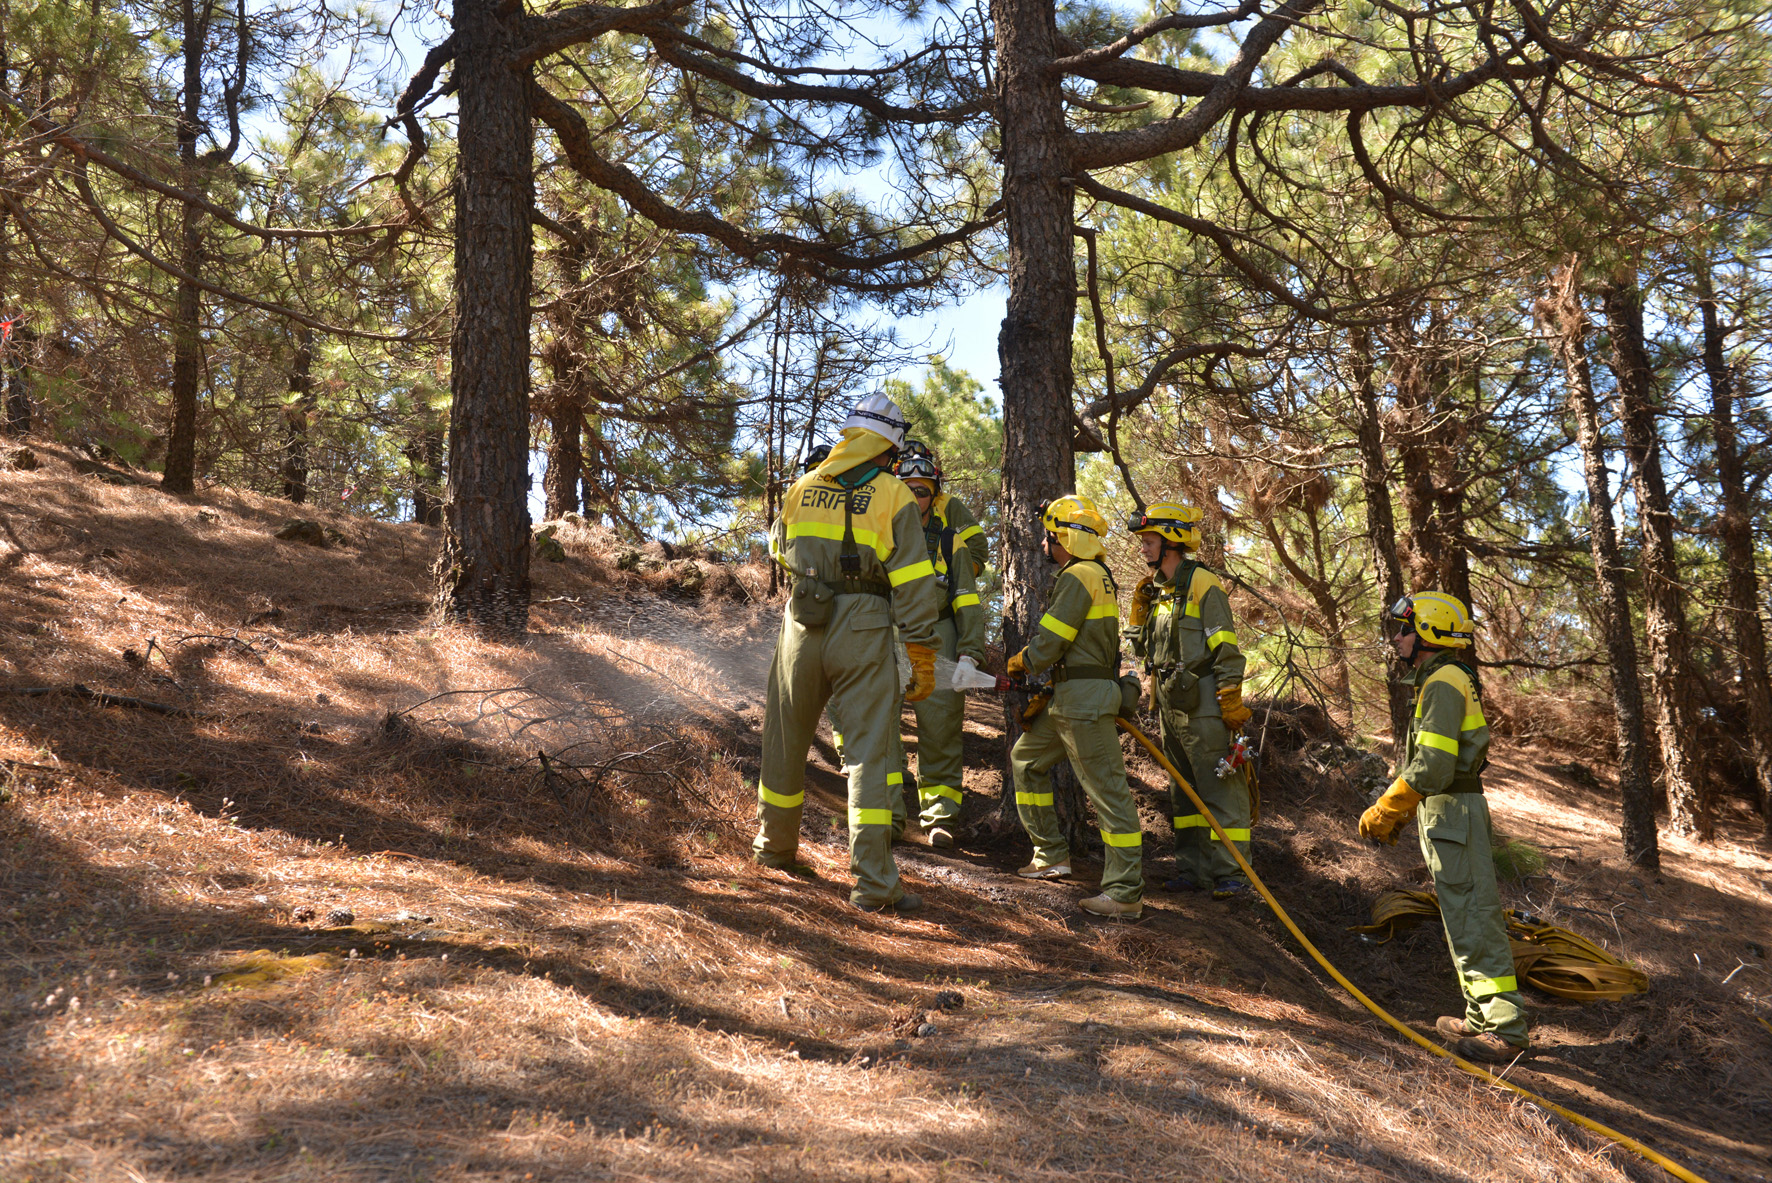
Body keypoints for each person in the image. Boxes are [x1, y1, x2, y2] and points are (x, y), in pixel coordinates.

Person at [754, 395, 941, 912]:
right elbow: (914, 580)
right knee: (868, 755)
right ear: (889, 445)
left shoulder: (802, 487)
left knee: (785, 738)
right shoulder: (894, 494)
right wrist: (921, 649)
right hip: (864, 621)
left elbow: (778, 547)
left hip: (802, 619)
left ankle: (774, 851)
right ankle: (873, 885)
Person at [1361, 591, 1530, 1063]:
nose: (1398, 638)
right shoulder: (1445, 678)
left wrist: (1389, 806)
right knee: (1461, 915)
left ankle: (1504, 1028)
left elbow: (1434, 765)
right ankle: (1481, 1015)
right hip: (1449, 811)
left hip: (1454, 809)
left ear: (1428, 634)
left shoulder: (1443, 682)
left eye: (1405, 629)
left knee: (1474, 915)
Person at [1006, 494, 1144, 919]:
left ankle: (1124, 892)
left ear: (1063, 537)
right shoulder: (1095, 574)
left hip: (1083, 702)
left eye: (1048, 535)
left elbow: (1051, 641)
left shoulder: (1079, 575)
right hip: (1070, 697)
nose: (1043, 543)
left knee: (1108, 793)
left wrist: (1023, 661)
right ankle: (1050, 855)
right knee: (1026, 760)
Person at [1124, 503, 1254, 899]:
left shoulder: (1202, 583)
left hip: (1203, 704)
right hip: (1169, 703)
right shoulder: (1157, 591)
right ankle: (1193, 870)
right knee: (1183, 790)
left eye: (1149, 541)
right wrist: (1137, 618)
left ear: (1171, 542)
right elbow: (1145, 650)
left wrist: (1229, 695)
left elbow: (1225, 645)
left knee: (1219, 789)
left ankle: (1233, 874)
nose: (1143, 549)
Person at [894, 446, 986, 847]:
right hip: (891, 635)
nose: (915, 497)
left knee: (941, 727)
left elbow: (967, 600)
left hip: (939, 635)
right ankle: (887, 812)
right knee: (880, 723)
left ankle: (940, 816)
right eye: (908, 489)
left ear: (934, 495)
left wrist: (969, 653)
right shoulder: (880, 535)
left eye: (923, 491)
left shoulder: (951, 541)